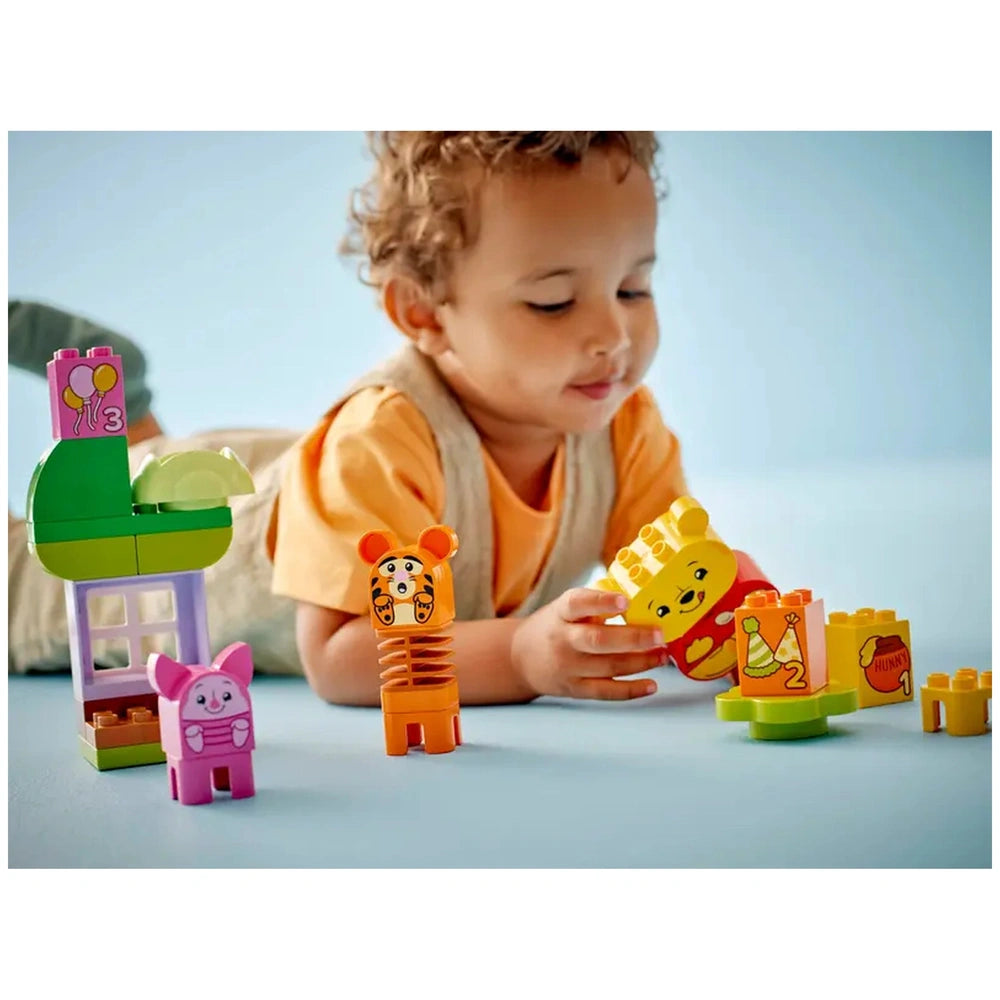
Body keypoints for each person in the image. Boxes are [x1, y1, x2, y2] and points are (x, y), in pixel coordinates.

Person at [269, 131, 690, 706]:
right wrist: (517, 655)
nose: (613, 337)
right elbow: (339, 658)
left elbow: (678, 581)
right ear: (425, 313)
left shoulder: (626, 427)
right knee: (133, 466)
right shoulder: (376, 445)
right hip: (190, 530)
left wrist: (740, 623)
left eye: (632, 289)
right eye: (554, 302)